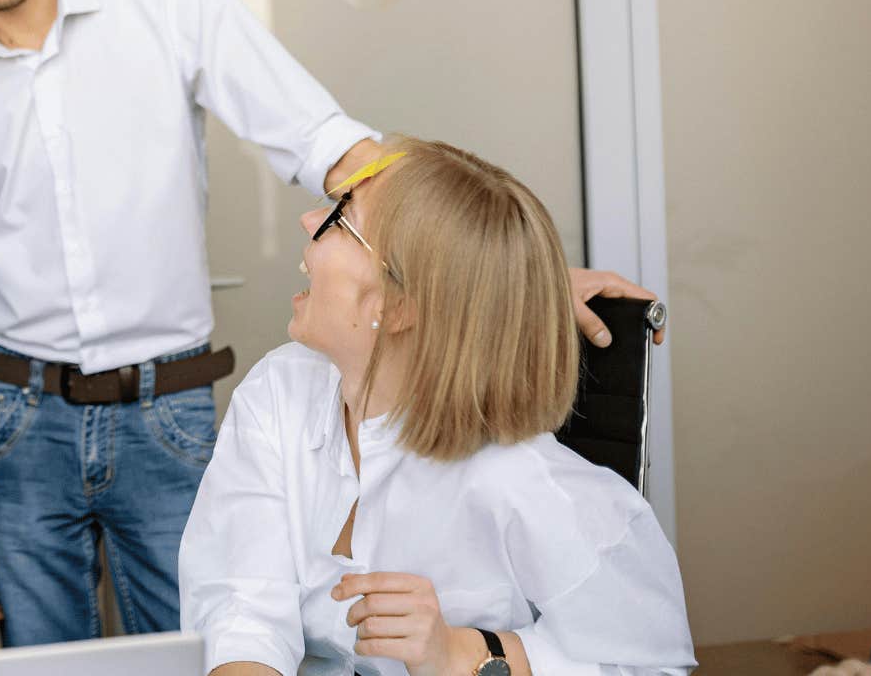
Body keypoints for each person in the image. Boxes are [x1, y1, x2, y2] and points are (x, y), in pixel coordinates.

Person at [0, 0, 659, 647]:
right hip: (13, 423)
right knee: (48, 670)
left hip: (165, 411)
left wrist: (502, 266)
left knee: (215, 640)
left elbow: (325, 143)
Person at [178, 139, 695, 676]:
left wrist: (465, 654)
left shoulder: (521, 481)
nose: (310, 220)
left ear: (398, 306)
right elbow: (243, 608)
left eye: (341, 217)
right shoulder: (278, 393)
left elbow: (649, 665)